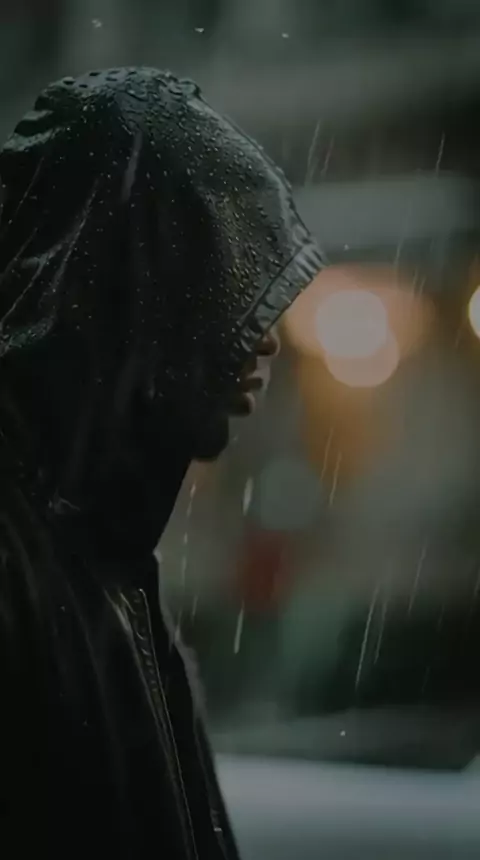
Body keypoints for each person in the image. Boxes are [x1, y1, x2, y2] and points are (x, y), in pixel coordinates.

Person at [0, 67, 323, 855]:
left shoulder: (103, 555)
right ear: (132, 298)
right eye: (220, 289)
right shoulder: (26, 565)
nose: (264, 340)